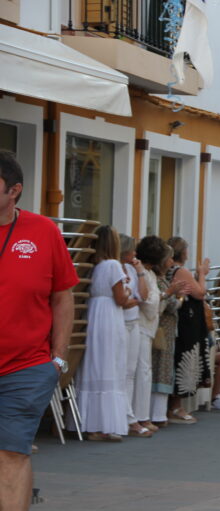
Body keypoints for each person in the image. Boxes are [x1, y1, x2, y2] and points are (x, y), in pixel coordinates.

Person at [0, 150, 78, 510]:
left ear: (13, 190)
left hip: (25, 368)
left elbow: (63, 298)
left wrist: (58, 359)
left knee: (10, 454)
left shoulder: (43, 231)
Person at [75, 226, 130, 441]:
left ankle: (91, 424)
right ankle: (105, 424)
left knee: (94, 366)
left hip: (94, 314)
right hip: (109, 316)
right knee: (110, 365)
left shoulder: (93, 267)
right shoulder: (114, 265)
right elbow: (121, 299)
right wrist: (127, 289)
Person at [166, 237, 211, 424]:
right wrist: (202, 274)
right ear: (182, 252)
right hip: (187, 320)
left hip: (185, 318)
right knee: (185, 357)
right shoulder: (180, 270)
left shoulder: (169, 270)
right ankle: (175, 406)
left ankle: (174, 405)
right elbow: (200, 293)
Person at [148, 241, 189, 427]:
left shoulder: (162, 279)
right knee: (160, 369)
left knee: (162, 370)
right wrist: (178, 295)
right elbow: (170, 305)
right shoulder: (158, 280)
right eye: (169, 258)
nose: (171, 261)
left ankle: (158, 414)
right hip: (162, 330)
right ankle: (156, 414)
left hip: (166, 330)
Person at [119, 234, 153, 438]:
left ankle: (129, 415)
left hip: (133, 321)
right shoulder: (114, 267)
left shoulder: (132, 268)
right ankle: (127, 417)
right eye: (132, 250)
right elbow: (128, 299)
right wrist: (136, 300)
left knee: (130, 371)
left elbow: (143, 295)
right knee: (122, 371)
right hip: (120, 322)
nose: (135, 253)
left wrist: (140, 271)